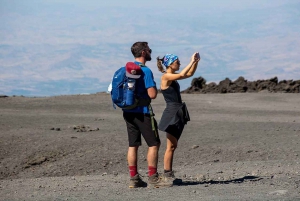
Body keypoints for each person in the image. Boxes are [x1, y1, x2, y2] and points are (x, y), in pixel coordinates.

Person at [123, 42, 166, 188]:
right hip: (143, 113)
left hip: (128, 112)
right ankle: (153, 177)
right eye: (148, 50)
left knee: (133, 145)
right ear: (143, 52)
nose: (150, 52)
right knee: (154, 144)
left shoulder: (127, 69)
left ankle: (134, 179)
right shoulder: (145, 71)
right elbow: (152, 94)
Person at [156, 52, 200, 185]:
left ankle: (168, 174)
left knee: (173, 145)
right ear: (170, 64)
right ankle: (167, 175)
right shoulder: (166, 77)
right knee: (170, 146)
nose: (179, 63)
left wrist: (196, 62)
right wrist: (191, 61)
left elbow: (189, 74)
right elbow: (182, 74)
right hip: (171, 113)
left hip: (178, 111)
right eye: (177, 61)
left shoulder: (172, 77)